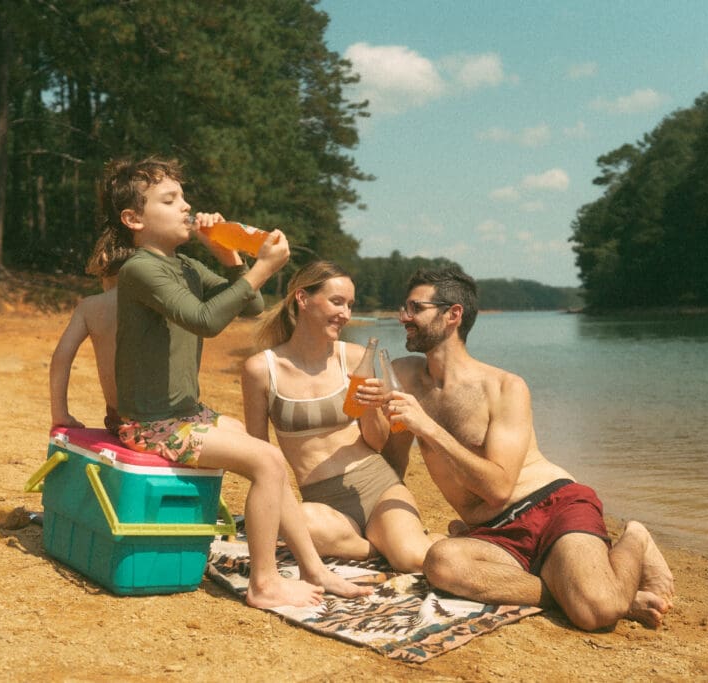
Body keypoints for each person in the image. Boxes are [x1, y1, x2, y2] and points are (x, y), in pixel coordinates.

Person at [106, 156, 370, 609]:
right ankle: (264, 583)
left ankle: (313, 568)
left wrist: (228, 256)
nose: (186, 206)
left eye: (184, 197)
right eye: (170, 200)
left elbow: (250, 306)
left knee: (268, 457)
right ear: (134, 219)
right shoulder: (139, 269)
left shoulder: (184, 266)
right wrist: (262, 266)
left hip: (184, 414)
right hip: (150, 425)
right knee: (266, 461)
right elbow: (205, 320)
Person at [379, 265, 675, 631]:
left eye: (415, 308)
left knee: (597, 613)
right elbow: (391, 463)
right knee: (441, 563)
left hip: (549, 507)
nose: (403, 317)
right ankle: (571, 590)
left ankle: (635, 537)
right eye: (405, 308)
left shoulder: (505, 387)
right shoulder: (404, 376)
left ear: (453, 314)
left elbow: (498, 488)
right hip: (493, 534)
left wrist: (427, 427)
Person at [242, 261, 438, 572]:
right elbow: (257, 452)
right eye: (337, 302)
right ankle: (379, 548)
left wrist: (371, 406)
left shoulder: (355, 358)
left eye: (350, 305)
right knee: (293, 520)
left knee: (412, 560)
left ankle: (399, 544)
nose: (345, 314)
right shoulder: (261, 369)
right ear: (303, 298)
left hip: (376, 484)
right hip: (321, 503)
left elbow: (376, 442)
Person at [48, 229, 130, 431]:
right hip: (167, 422)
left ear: (104, 259)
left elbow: (61, 358)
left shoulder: (89, 307)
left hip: (120, 423)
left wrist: (60, 414)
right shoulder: (162, 300)